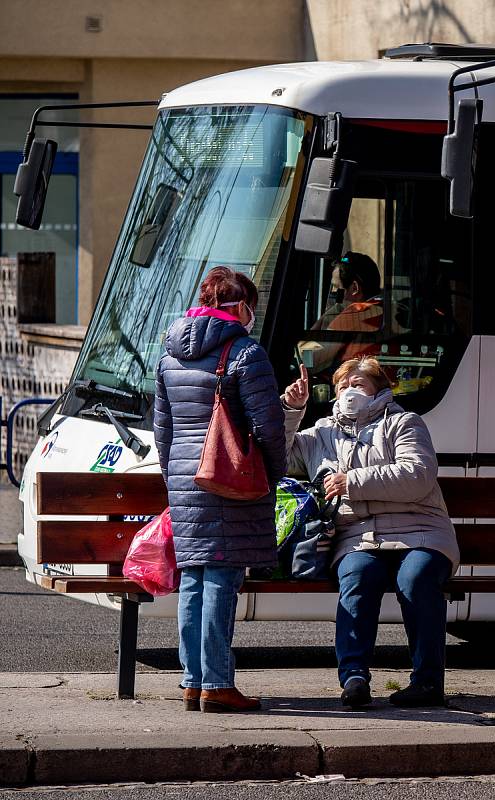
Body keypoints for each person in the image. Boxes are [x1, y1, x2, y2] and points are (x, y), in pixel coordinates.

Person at [281, 356, 459, 709]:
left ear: (379, 389)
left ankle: (427, 683)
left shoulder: (404, 422)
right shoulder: (321, 432)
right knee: (358, 576)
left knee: (417, 577)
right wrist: (290, 410)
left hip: (420, 529)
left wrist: (353, 482)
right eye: (343, 386)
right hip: (357, 536)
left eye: (358, 385)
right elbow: (276, 459)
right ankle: (354, 679)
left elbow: (418, 475)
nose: (349, 392)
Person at [154, 266, 285, 713]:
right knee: (222, 579)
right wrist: (274, 474)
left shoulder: (169, 354)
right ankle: (217, 684)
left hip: (185, 480)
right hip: (229, 480)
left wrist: (173, 479)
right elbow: (268, 428)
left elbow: (163, 430)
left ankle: (193, 682)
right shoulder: (246, 353)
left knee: (193, 579)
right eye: (251, 304)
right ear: (240, 307)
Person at [299, 252, 383, 372]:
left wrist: (325, 317)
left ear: (354, 288)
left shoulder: (357, 312)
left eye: (336, 288)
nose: (332, 296)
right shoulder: (384, 308)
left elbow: (307, 359)